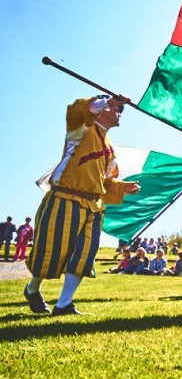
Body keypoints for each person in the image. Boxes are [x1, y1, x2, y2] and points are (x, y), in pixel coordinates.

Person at [24, 95, 140, 315]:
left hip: (94, 206)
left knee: (84, 253)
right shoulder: (80, 130)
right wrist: (107, 101)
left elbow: (106, 181)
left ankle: (63, 304)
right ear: (104, 110)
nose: (120, 114)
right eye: (117, 110)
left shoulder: (111, 150)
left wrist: (121, 187)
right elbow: (76, 110)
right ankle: (32, 289)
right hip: (65, 198)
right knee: (52, 249)